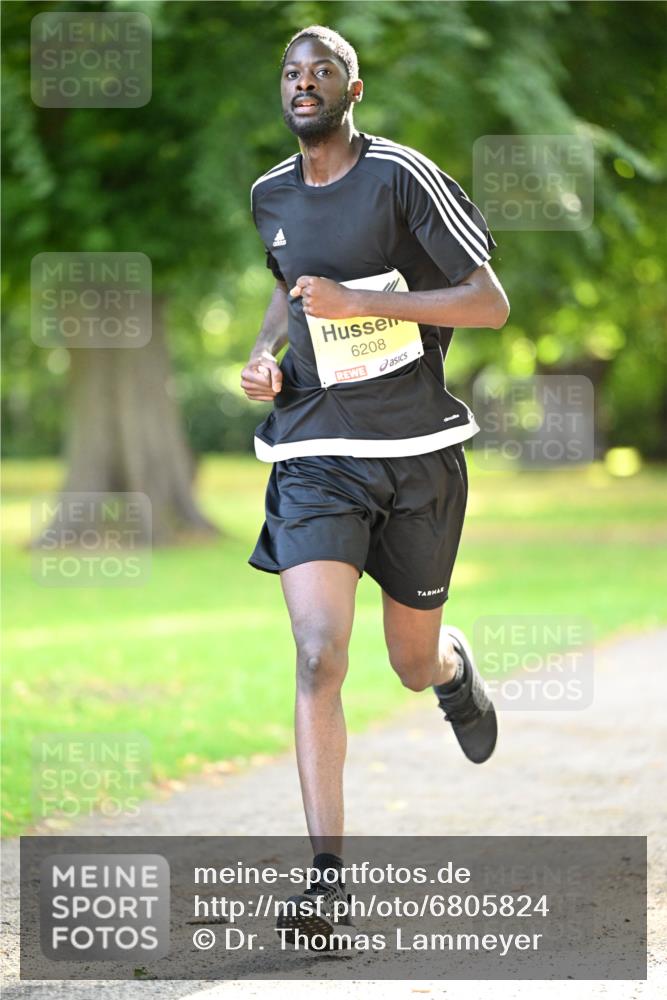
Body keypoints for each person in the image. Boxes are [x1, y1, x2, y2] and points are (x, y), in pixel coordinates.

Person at [240, 25, 510, 949]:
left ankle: (452, 670)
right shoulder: (268, 193)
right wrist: (266, 355)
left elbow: (487, 302)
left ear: (354, 91)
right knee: (319, 653)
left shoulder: (400, 176)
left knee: (405, 663)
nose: (303, 83)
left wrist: (367, 303)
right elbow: (288, 285)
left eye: (323, 72)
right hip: (315, 451)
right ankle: (327, 886)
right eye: (291, 72)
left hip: (417, 453)